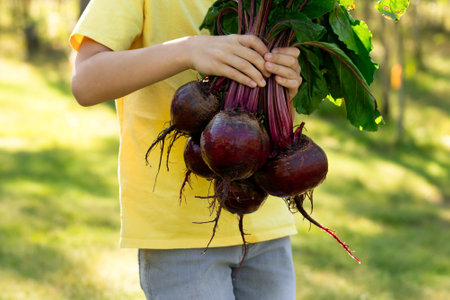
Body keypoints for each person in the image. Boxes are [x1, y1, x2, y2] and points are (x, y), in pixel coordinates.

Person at [70, 0, 303, 299]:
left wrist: (284, 83)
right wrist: (188, 51)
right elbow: (86, 81)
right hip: (177, 234)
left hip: (265, 219)